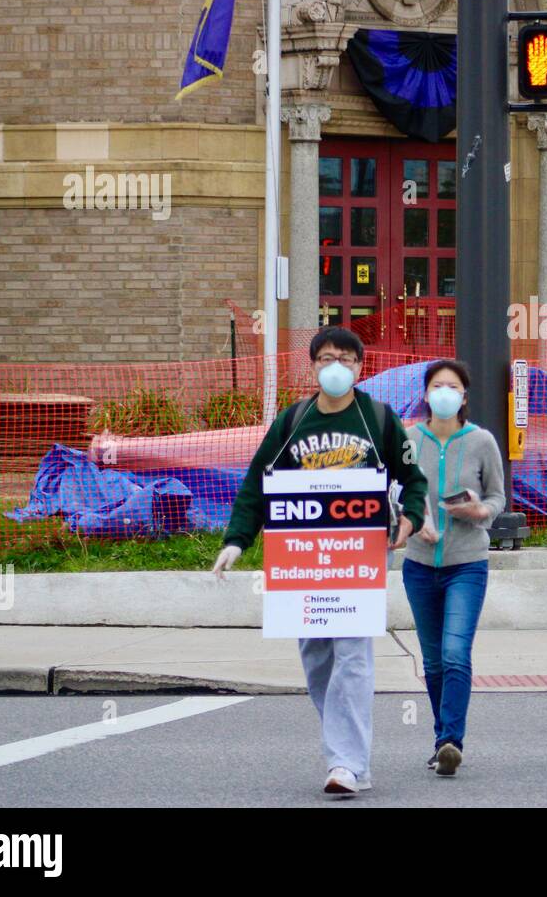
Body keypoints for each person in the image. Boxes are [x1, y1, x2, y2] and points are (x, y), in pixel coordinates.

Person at [212, 326, 427, 798]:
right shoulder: (293, 421)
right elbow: (257, 483)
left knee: (352, 654)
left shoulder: (379, 419)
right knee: (316, 658)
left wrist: (411, 518)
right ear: (312, 366)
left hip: (358, 557)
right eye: (327, 358)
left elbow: (413, 478)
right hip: (302, 558)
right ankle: (347, 751)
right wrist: (237, 540)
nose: (336, 367)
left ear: (360, 367)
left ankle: (345, 763)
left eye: (346, 359)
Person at [404, 358, 506, 778]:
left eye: (453, 387)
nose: (444, 393)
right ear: (426, 394)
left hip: (467, 563)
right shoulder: (408, 438)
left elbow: (499, 497)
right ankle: (440, 738)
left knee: (454, 652)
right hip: (419, 563)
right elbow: (397, 492)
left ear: (464, 396)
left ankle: (451, 740)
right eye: (436, 386)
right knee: (431, 660)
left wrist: (480, 509)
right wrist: (416, 518)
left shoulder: (481, 441)